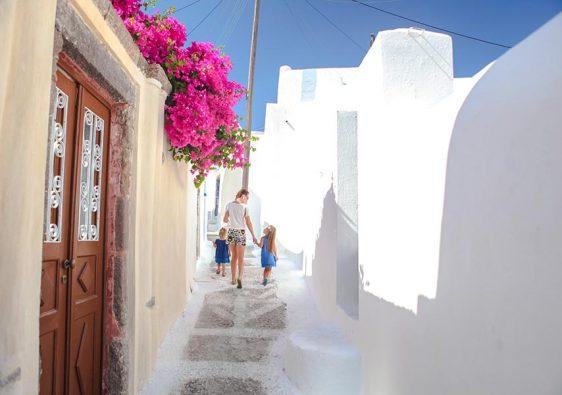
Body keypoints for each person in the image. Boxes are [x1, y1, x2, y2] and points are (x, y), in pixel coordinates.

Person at [223, 188, 258, 289]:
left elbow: (225, 220)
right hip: (240, 233)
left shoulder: (229, 205)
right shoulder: (245, 207)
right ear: (243, 196)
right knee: (240, 258)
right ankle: (240, 277)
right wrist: (253, 235)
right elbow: (248, 223)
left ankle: (233, 279)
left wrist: (229, 217)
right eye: (247, 197)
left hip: (231, 232)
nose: (247, 200)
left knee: (233, 256)